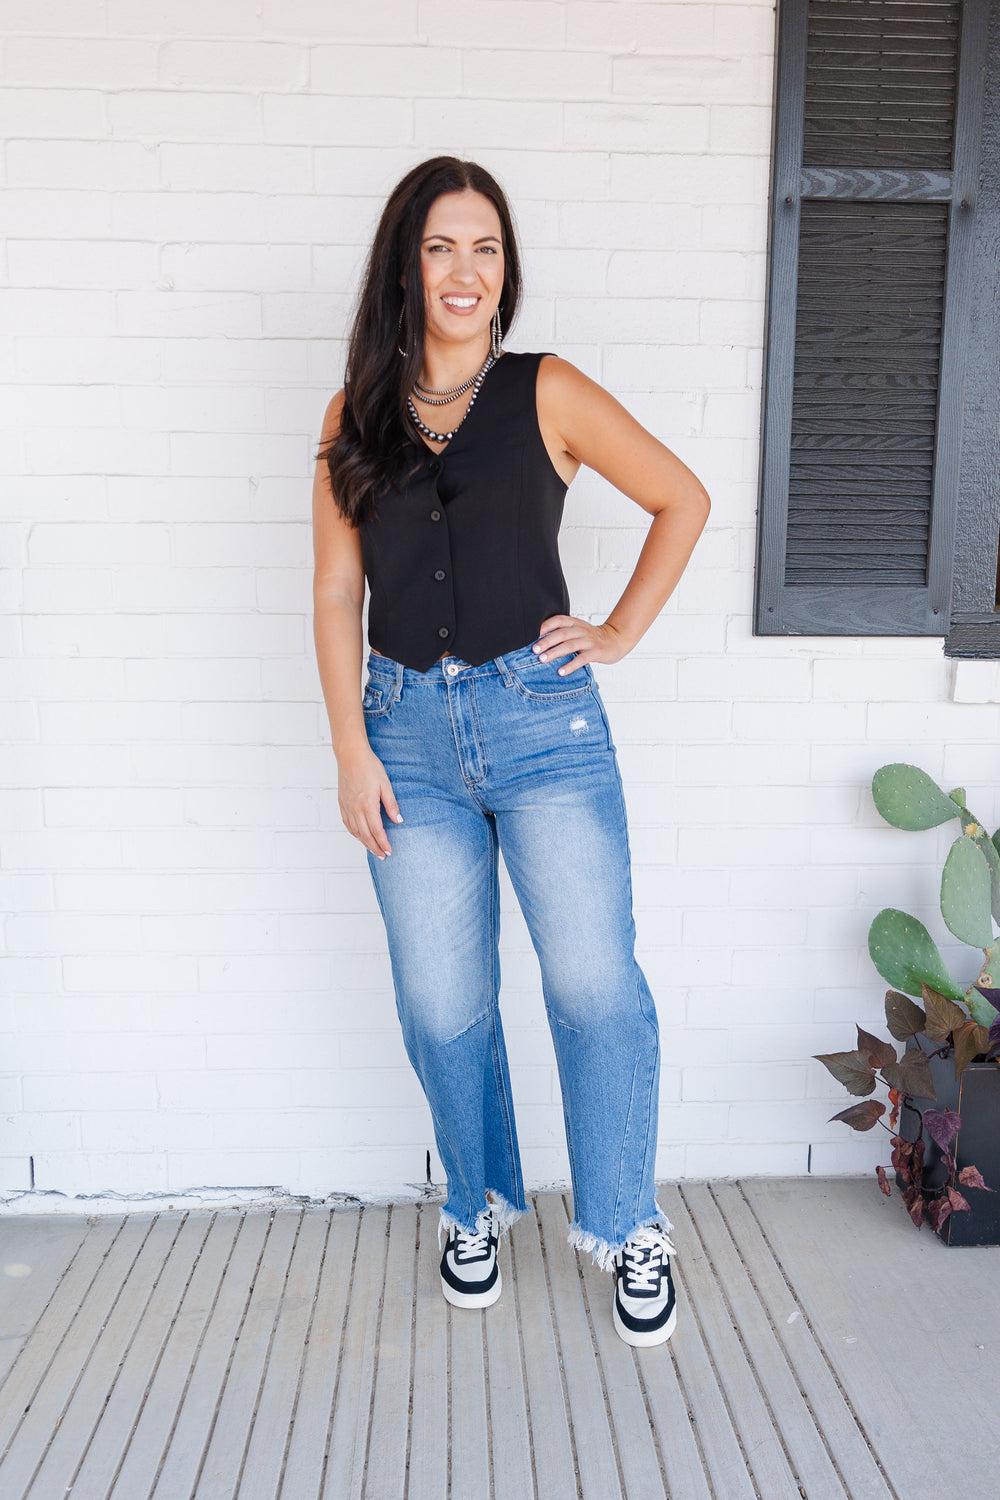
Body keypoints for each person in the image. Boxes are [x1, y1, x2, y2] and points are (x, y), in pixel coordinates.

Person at [311, 157, 710, 1347]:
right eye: (441, 247)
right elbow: (338, 591)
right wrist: (349, 746)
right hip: (405, 736)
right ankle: (475, 1204)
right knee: (442, 1001)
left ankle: (630, 1222)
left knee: (593, 983)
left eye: (484, 248)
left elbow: (679, 498)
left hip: (543, 724)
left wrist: (620, 630)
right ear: (405, 263)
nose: (465, 271)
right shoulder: (353, 415)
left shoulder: (547, 390)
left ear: (506, 269)